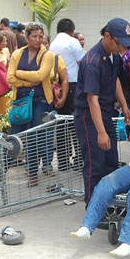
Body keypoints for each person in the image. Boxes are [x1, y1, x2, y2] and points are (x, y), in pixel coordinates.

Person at [73, 18, 130, 212]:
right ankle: (93, 207)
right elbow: (92, 100)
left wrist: (124, 105)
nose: (122, 47)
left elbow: (114, 79)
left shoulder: (113, 55)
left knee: (111, 161)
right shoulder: (92, 61)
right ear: (107, 36)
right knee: (95, 164)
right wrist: (100, 132)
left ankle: (108, 202)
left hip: (106, 112)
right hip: (89, 117)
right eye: (120, 43)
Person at [7, 23, 69, 187]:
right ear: (27, 37)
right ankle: (1, 171)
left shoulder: (47, 55)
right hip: (20, 101)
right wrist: (28, 83)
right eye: (34, 36)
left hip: (40, 101)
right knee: (15, 136)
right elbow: (9, 78)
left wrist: (19, 75)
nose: (38, 39)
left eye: (41, 36)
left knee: (35, 137)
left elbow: (40, 75)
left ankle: (33, 173)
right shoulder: (17, 54)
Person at [49, 18, 84, 171]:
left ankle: (62, 161)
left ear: (57, 31)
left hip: (56, 86)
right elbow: (82, 62)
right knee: (76, 123)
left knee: (61, 124)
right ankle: (77, 160)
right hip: (73, 85)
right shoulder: (72, 41)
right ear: (72, 31)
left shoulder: (52, 44)